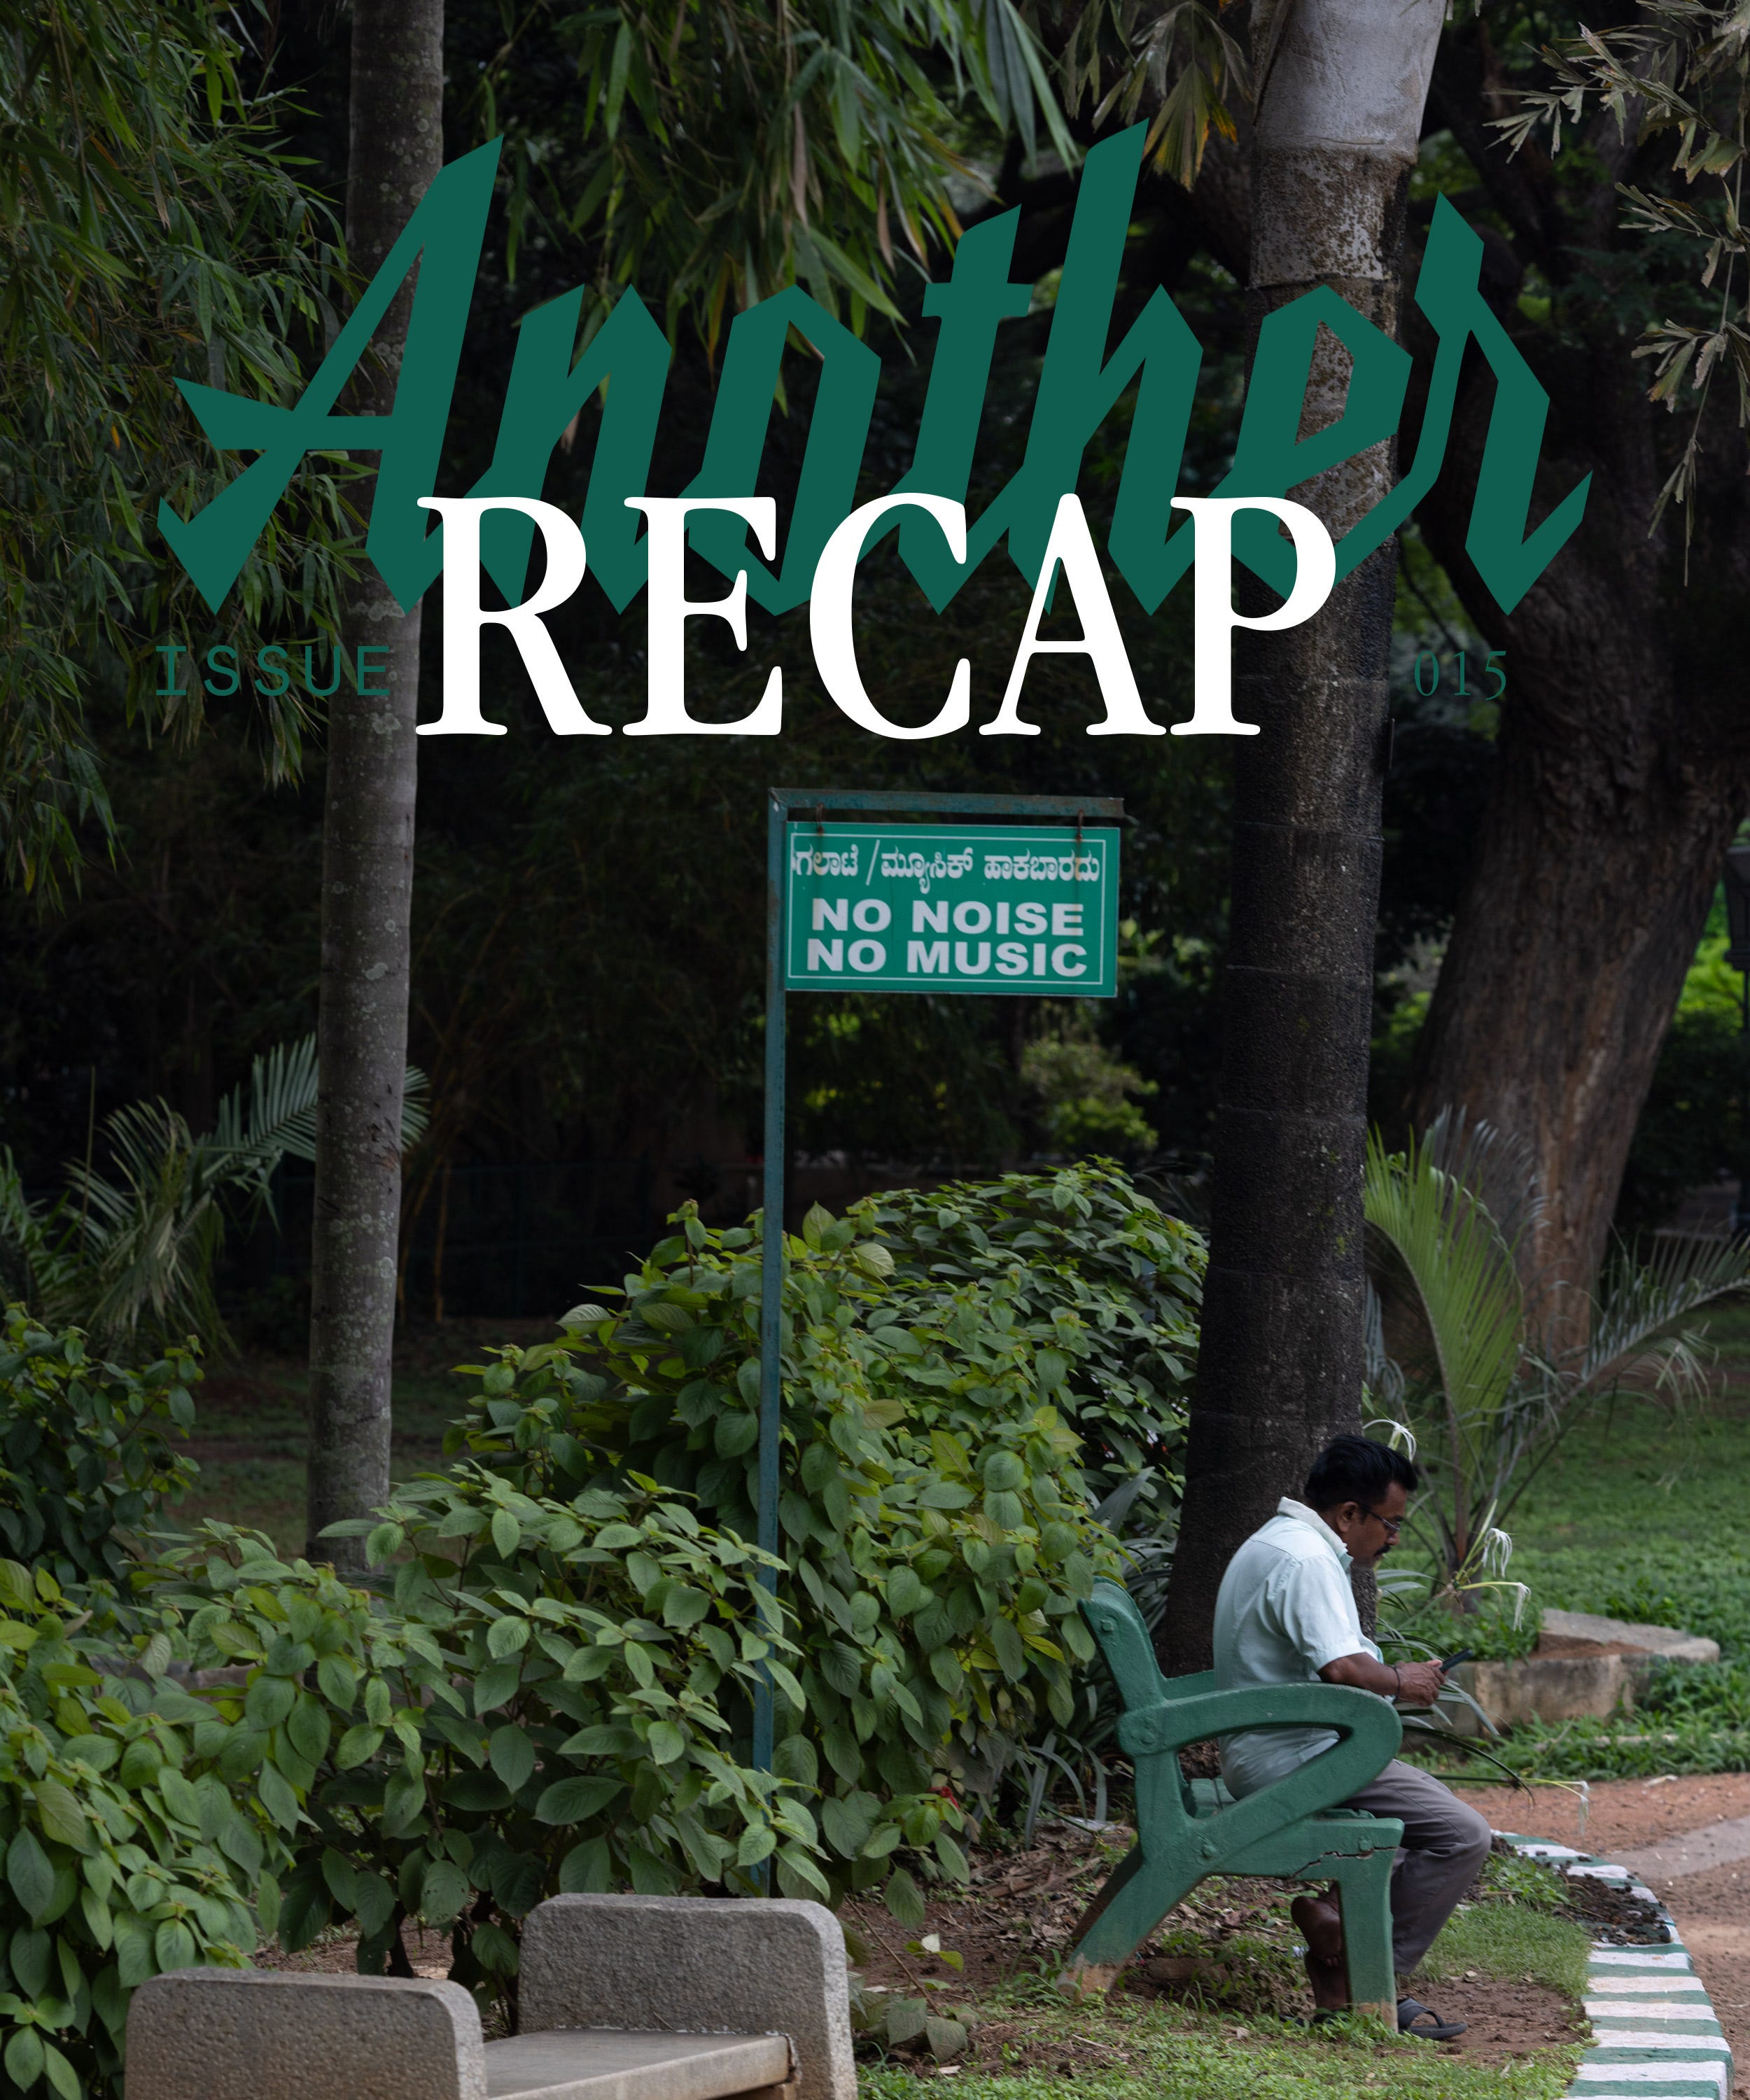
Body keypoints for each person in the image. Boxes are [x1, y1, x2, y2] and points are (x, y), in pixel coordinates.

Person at [1211, 1434, 1492, 2041]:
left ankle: (1335, 1931)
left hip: (1275, 1747)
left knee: (1407, 1831)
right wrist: (1403, 1681)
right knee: (1462, 1835)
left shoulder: (1278, 1542)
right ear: (1347, 1514)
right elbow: (1343, 1670)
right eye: (1390, 1524)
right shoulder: (1308, 1560)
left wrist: (1394, 1677)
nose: (1394, 1539)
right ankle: (1368, 1978)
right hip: (1296, 1758)